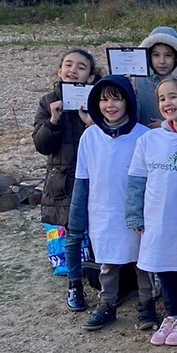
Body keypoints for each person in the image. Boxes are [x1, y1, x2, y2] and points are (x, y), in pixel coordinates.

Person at [67, 75, 152, 330]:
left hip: (137, 210)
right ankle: (107, 304)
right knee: (108, 262)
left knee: (143, 261)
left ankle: (147, 305)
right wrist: (77, 219)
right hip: (102, 209)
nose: (110, 105)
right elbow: (82, 180)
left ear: (128, 101)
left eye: (116, 98)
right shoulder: (90, 137)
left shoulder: (144, 136)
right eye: (104, 99)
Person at [126, 76, 177, 345]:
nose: (167, 103)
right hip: (157, 216)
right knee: (164, 265)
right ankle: (171, 314)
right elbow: (137, 179)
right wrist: (134, 213)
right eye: (162, 98)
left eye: (173, 96)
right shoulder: (150, 140)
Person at [32, 49, 98, 311]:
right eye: (68, 65)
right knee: (71, 233)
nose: (73, 69)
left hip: (93, 178)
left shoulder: (98, 100)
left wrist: (90, 122)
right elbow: (42, 145)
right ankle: (74, 284)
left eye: (81, 67)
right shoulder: (48, 101)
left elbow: (108, 139)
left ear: (91, 76)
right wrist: (53, 120)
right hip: (62, 180)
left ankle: (100, 277)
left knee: (96, 231)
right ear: (59, 71)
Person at [132, 27, 177, 128]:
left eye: (168, 55)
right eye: (156, 55)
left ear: (176, 57)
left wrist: (166, 125)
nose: (162, 61)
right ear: (148, 56)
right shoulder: (137, 81)